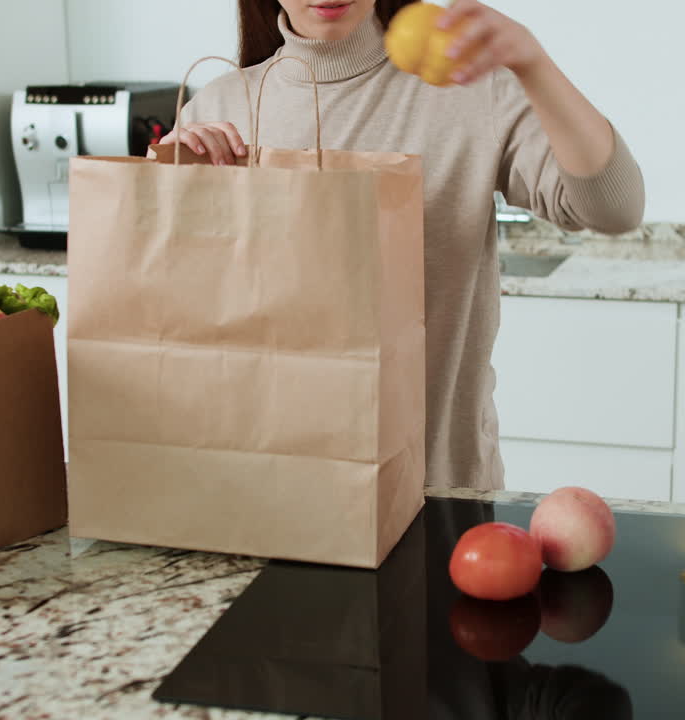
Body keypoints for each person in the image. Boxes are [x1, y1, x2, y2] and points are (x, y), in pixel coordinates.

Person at [162, 0, 645, 491]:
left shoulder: (471, 91)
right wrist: (168, 181)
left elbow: (612, 208)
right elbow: (182, 320)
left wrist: (532, 63)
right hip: (268, 492)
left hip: (439, 490)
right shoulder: (217, 110)